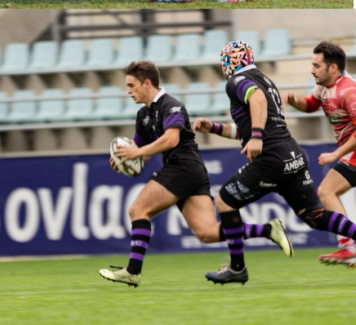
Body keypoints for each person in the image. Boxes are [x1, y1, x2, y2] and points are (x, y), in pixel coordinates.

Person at [99, 60, 291, 287]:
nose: (128, 91)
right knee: (207, 233)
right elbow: (141, 152)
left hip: (182, 167)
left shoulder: (172, 105)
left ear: (147, 83)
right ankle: (268, 229)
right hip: (191, 171)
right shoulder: (143, 115)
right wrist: (124, 158)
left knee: (138, 209)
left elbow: (172, 139)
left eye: (131, 85)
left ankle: (132, 271)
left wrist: (137, 152)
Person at [194, 40, 356, 284]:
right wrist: (215, 128)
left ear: (231, 61)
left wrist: (256, 137)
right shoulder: (265, 80)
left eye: (224, 61)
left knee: (224, 201)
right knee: (314, 215)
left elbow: (257, 103)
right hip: (293, 156)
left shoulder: (236, 81)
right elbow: (252, 127)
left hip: (272, 159)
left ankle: (237, 268)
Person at [283, 40, 356, 265]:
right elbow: (311, 105)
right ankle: (348, 247)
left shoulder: (348, 91)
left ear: (332, 68)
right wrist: (295, 101)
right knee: (327, 191)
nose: (312, 70)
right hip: (351, 153)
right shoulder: (324, 87)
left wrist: (335, 155)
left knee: (327, 191)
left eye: (316, 66)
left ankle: (348, 247)